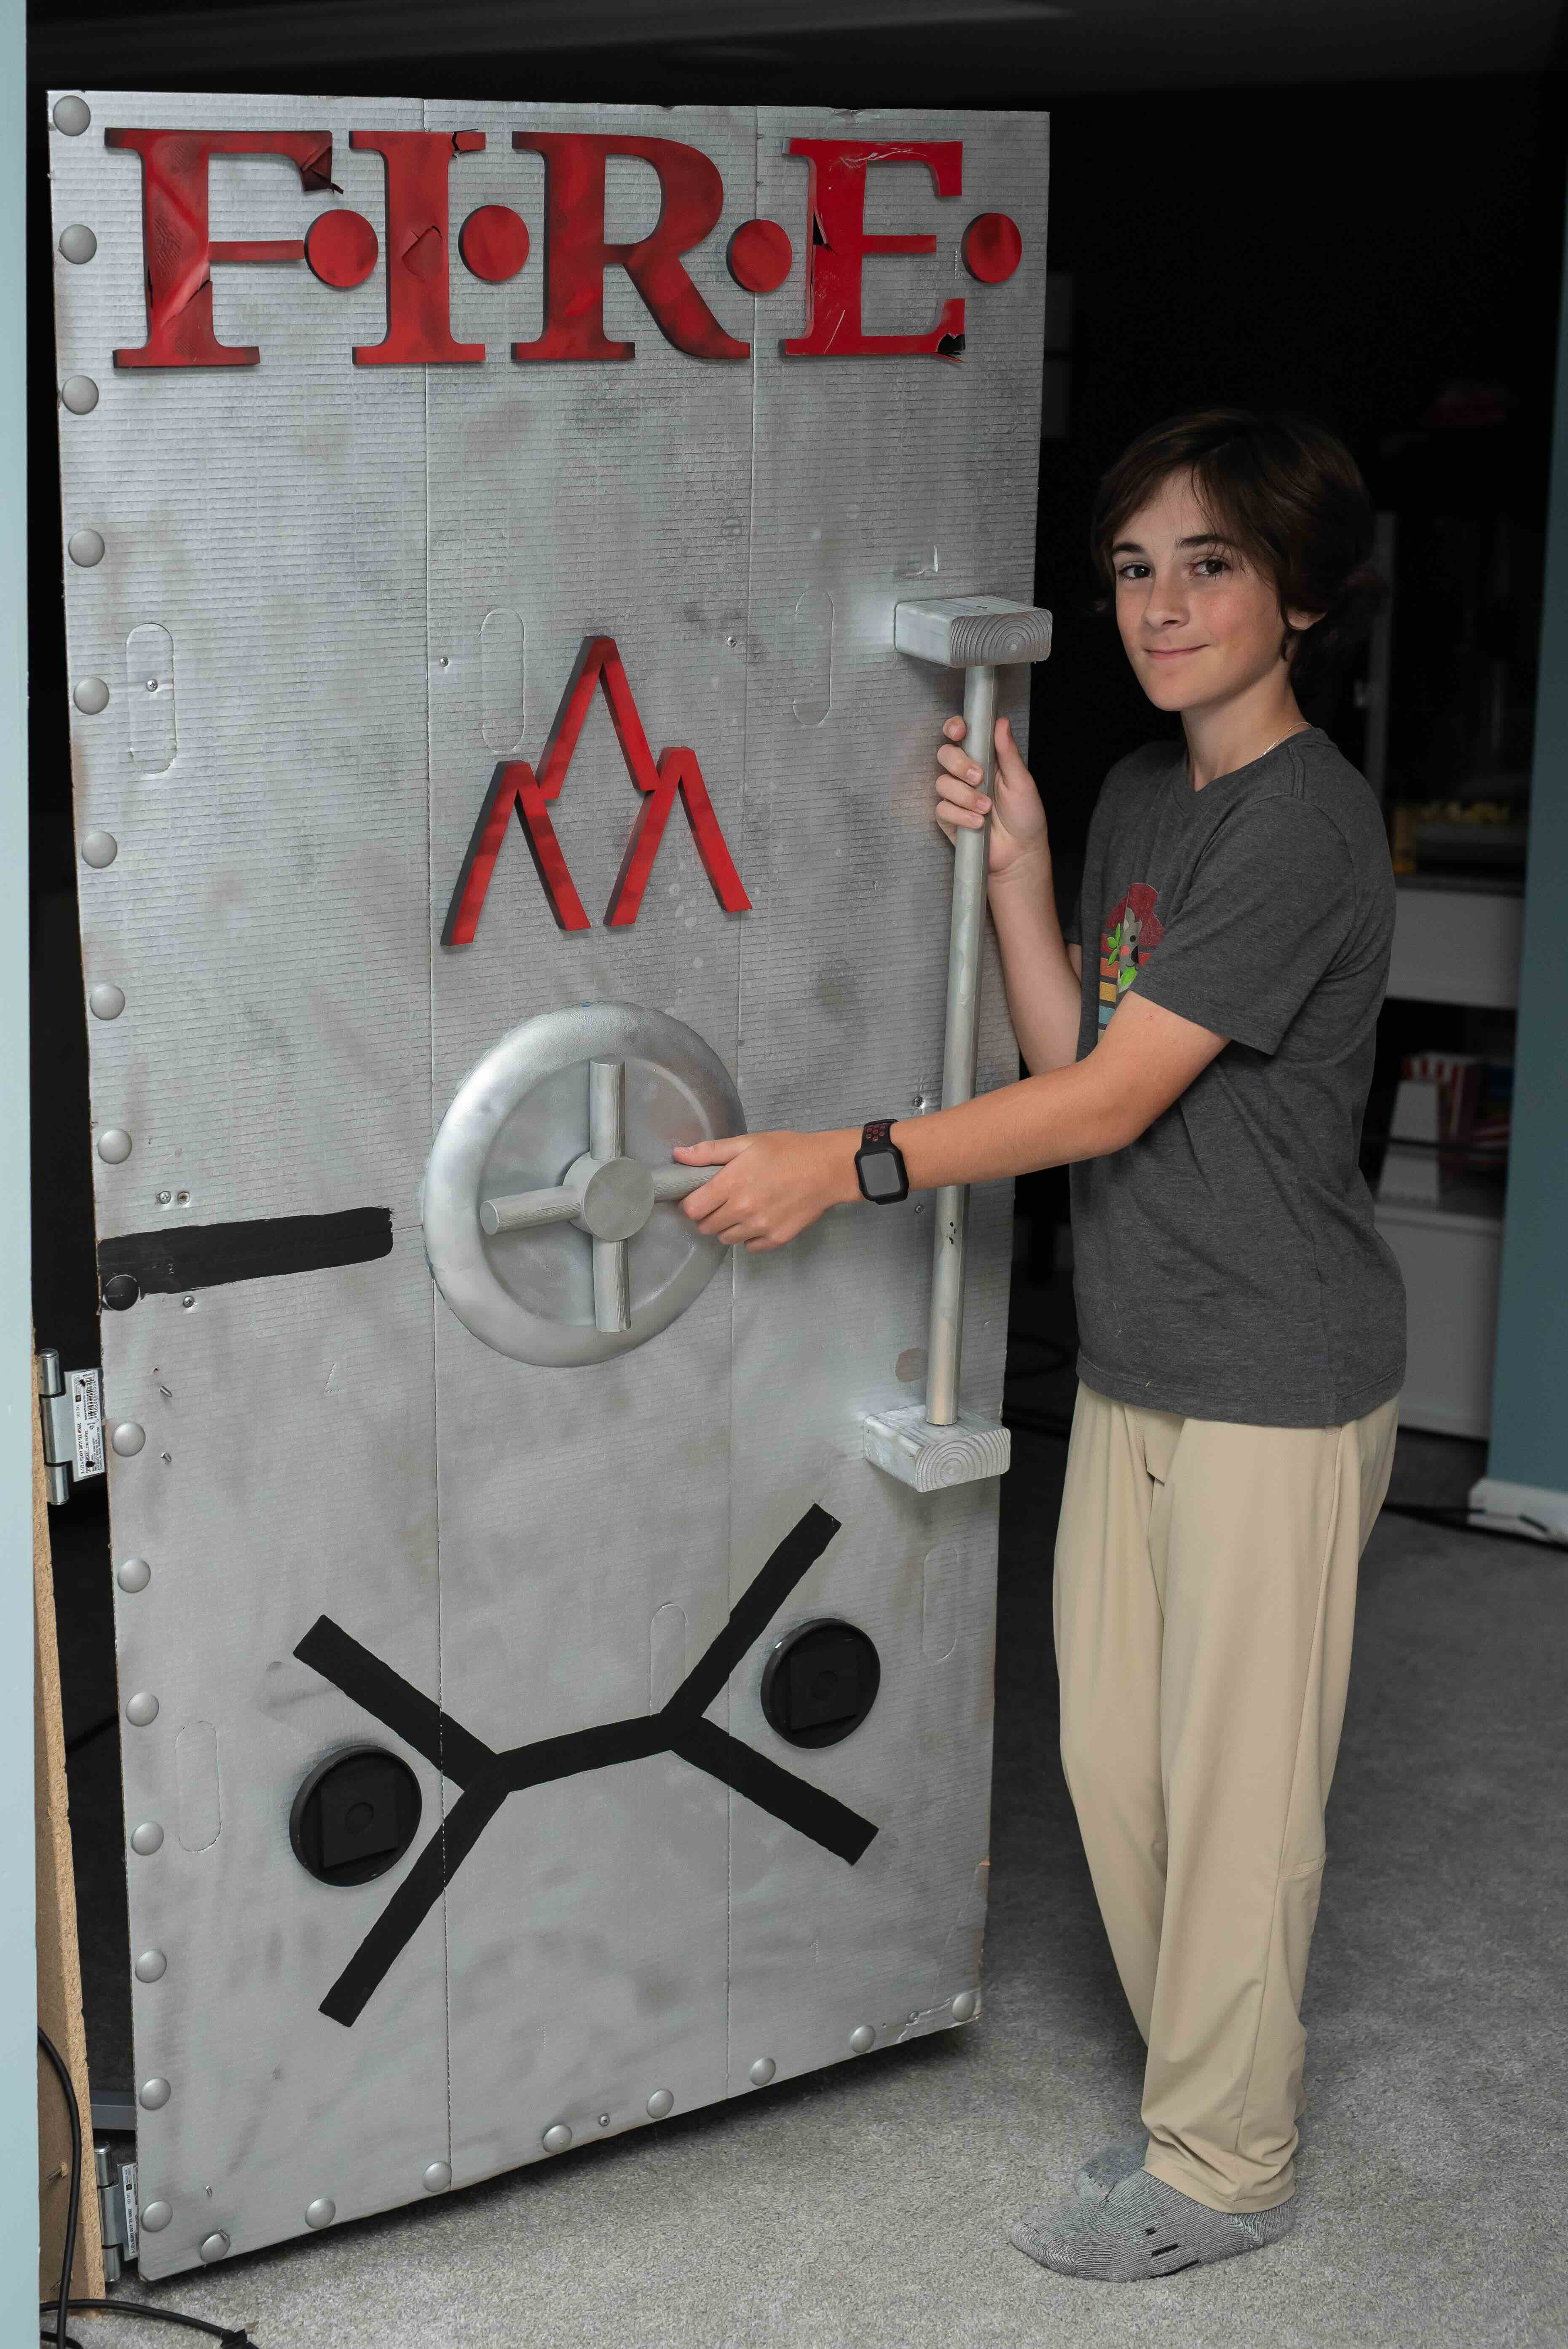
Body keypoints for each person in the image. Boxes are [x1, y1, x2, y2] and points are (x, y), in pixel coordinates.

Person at [674, 407, 1404, 2283]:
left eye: (1210, 565)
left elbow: (1091, 1116)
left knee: (1238, 1793)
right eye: (1135, 570)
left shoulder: (1304, 818)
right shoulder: (1156, 802)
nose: (1161, 605)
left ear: (1301, 594)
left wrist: (836, 1165)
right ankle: (1198, 2093)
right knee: (1119, 1764)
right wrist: (1022, 859)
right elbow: (1066, 1064)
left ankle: (1225, 2160)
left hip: (1279, 1367)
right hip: (1148, 1353)